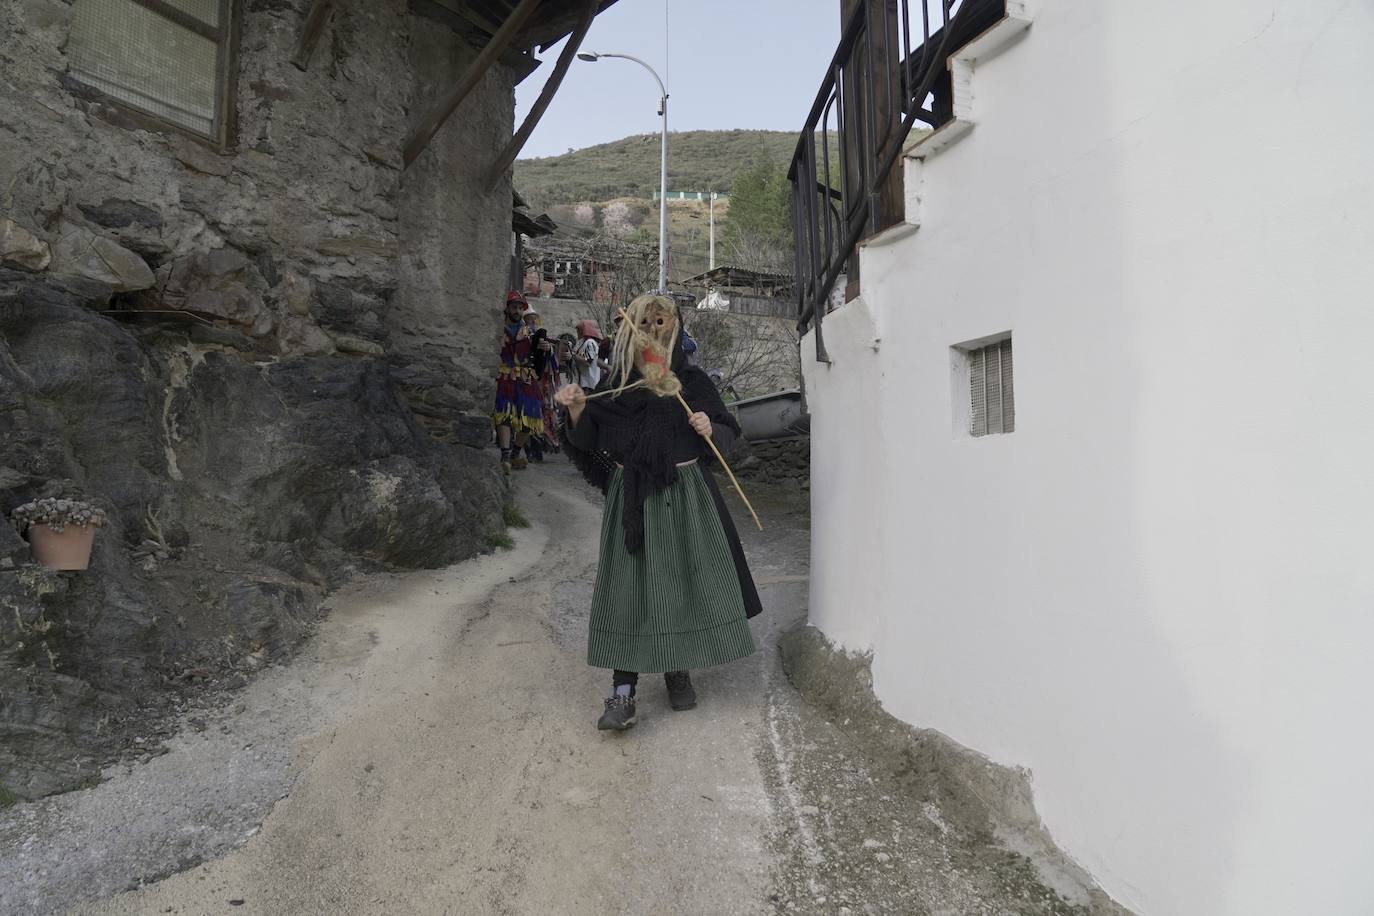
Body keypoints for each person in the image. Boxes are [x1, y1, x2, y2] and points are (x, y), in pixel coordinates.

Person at [555, 293, 762, 731]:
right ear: (631, 327)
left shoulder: (693, 382)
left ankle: (677, 669)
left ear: (676, 324)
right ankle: (623, 690)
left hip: (687, 496)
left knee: (680, 580)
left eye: (661, 319)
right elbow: (589, 437)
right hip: (635, 499)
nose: (652, 327)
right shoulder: (620, 382)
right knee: (629, 589)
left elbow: (727, 427)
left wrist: (712, 429)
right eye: (644, 320)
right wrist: (576, 408)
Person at [492, 291, 544, 472]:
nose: (517, 311)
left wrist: (545, 349)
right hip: (505, 376)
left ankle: (516, 452)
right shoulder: (497, 327)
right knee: (504, 414)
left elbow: (542, 356)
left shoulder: (531, 331)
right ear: (507, 308)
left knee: (531, 416)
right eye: (514, 307)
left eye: (520, 308)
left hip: (525, 377)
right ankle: (505, 455)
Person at [573, 319, 605, 391]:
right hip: (585, 383)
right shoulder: (584, 343)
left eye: (579, 330)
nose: (577, 332)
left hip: (589, 384)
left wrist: (573, 356)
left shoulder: (590, 342)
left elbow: (587, 362)